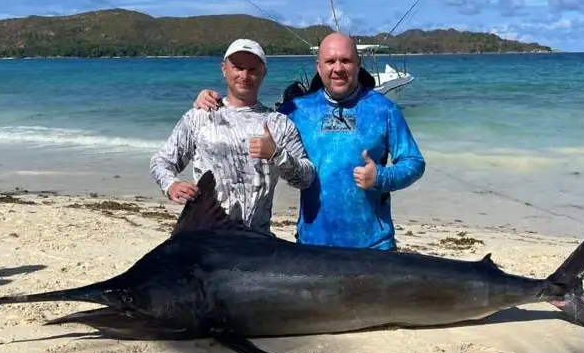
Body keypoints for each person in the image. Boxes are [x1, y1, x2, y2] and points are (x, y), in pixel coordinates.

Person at [192, 32, 426, 250]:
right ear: (318, 66)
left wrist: (382, 177)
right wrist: (214, 101)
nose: (338, 69)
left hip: (374, 246)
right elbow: (251, 115)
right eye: (330, 61)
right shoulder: (297, 110)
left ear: (358, 64)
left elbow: (414, 162)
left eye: (345, 61)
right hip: (312, 246)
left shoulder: (384, 109)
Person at [150, 38, 316, 235]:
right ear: (224, 69)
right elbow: (161, 161)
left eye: (253, 69)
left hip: (256, 239)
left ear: (264, 72)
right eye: (238, 67)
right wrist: (171, 184)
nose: (244, 75)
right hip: (205, 236)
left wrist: (277, 155)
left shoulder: (279, 123)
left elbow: (306, 178)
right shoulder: (201, 115)